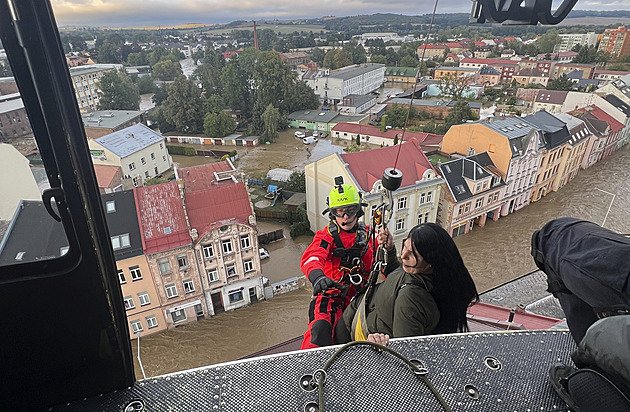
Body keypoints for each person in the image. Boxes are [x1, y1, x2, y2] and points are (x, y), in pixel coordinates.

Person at [335, 223, 479, 345]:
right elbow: (398, 277)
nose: (403, 256)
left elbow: (407, 354)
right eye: (405, 247)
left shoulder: (410, 298)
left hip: (354, 328)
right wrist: (390, 251)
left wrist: (381, 346)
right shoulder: (436, 278)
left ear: (431, 262)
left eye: (413, 254)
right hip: (356, 319)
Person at [299, 177, 377, 349]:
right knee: (319, 331)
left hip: (360, 297)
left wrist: (390, 248)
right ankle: (309, 368)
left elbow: (380, 263)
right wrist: (318, 277)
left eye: (350, 210)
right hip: (331, 295)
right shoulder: (326, 237)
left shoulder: (370, 235)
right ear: (332, 214)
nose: (346, 217)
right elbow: (312, 257)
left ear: (359, 210)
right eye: (339, 212)